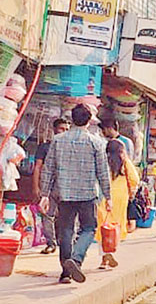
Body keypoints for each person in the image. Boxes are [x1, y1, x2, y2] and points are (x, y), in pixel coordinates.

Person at [38, 104, 111, 284]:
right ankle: (76, 259)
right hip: (87, 194)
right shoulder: (96, 142)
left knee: (66, 231)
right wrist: (108, 196)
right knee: (88, 228)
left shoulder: (58, 140)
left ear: (72, 119)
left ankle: (66, 273)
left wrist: (44, 194)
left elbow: (48, 168)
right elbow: (102, 171)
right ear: (88, 121)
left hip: (64, 194)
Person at [96, 139, 139, 270]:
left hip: (104, 196)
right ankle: (110, 252)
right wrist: (132, 191)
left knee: (102, 227)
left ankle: (104, 258)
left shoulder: (102, 161)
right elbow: (134, 179)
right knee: (115, 227)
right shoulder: (125, 162)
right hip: (120, 196)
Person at [32, 118, 70, 254]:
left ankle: (66, 243)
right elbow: (37, 167)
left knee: (67, 216)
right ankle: (51, 243)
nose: (64, 132)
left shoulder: (71, 147)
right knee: (47, 214)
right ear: (54, 130)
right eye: (61, 129)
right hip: (49, 187)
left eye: (66, 129)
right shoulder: (45, 147)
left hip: (67, 186)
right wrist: (36, 187)